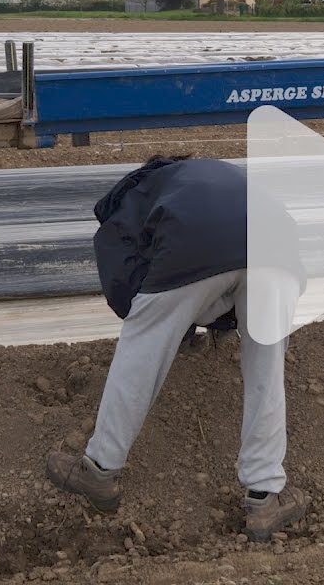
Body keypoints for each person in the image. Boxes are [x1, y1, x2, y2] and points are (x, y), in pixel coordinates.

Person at [46, 155, 309, 543]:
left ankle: (99, 470)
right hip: (280, 246)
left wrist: (170, 330)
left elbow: (126, 289)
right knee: (266, 370)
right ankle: (265, 498)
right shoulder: (209, 174)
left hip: (199, 238)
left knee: (142, 342)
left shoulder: (128, 200)